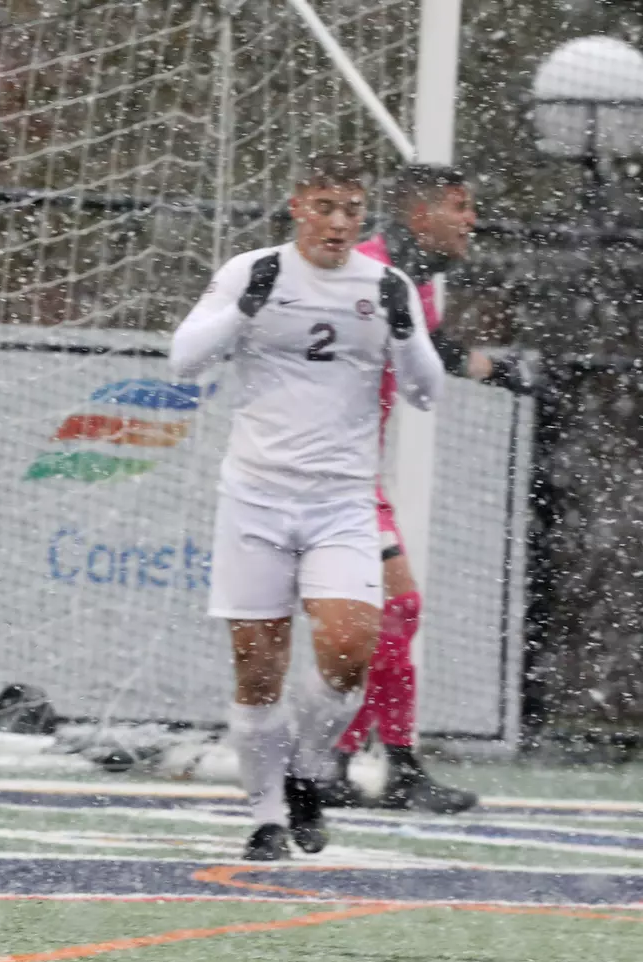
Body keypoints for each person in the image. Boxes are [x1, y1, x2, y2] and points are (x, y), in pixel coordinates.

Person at [170, 155, 444, 860]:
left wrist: (407, 336)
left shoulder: (386, 284)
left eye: (352, 209)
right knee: (258, 671)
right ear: (298, 206)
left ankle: (306, 770)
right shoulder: (252, 271)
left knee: (350, 650)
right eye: (326, 206)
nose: (339, 222)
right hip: (256, 500)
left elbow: (426, 392)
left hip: (342, 502)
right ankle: (265, 818)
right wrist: (244, 309)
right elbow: (184, 359)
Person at [323, 164, 533, 814]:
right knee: (333, 625)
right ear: (420, 217)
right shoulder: (357, 271)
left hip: (355, 476)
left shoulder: (417, 286)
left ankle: (375, 763)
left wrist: (492, 368)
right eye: (459, 206)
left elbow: (427, 346)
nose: (472, 219)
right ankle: (335, 760)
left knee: (395, 614)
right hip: (314, 478)